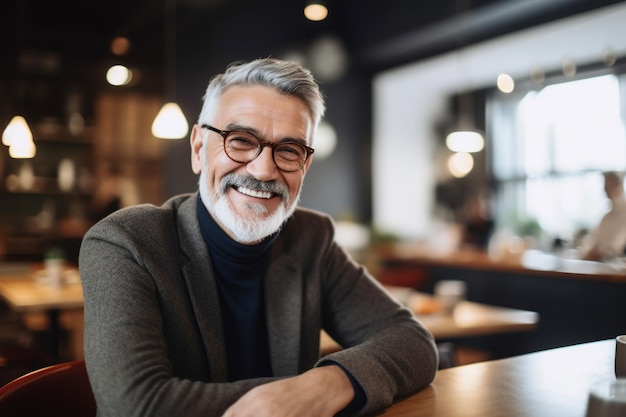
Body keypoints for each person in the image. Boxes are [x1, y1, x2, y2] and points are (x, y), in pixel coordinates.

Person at [79, 58, 438, 417]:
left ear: (305, 165)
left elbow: (413, 342)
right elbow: (136, 406)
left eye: (289, 150)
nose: (264, 169)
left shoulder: (310, 239)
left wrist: (327, 384)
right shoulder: (125, 243)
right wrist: (298, 394)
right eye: (240, 140)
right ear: (199, 149)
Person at [581, 171, 626, 261]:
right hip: (601, 265)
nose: (605, 189)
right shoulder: (606, 217)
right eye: (605, 186)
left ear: (619, 186)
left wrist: (600, 252)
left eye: (609, 185)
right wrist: (588, 251)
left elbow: (616, 247)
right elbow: (592, 240)